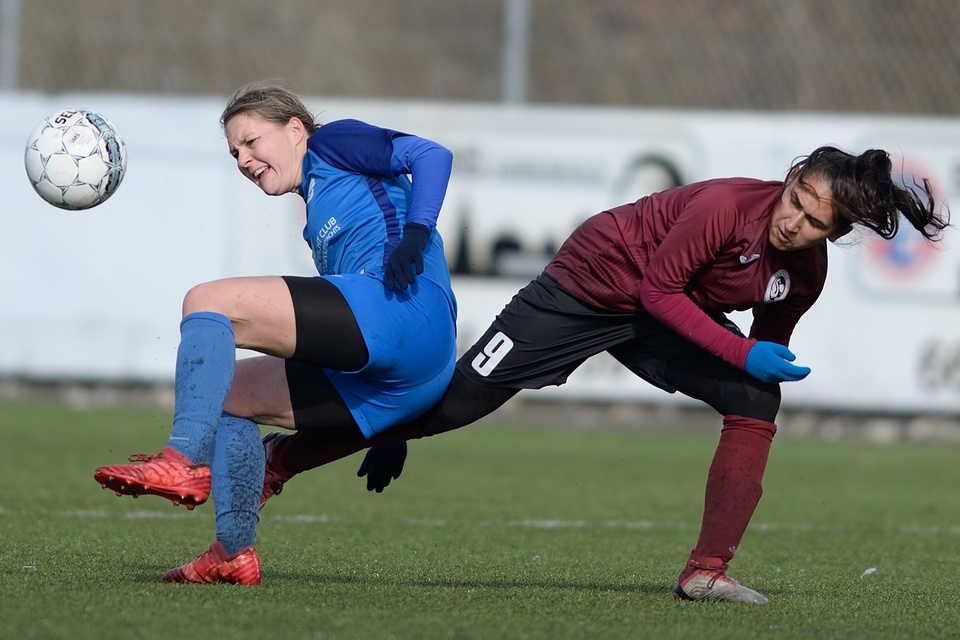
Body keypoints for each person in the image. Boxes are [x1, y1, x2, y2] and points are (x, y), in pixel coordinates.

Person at [254, 146, 948, 603]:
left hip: (659, 317)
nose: (792, 221)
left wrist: (756, 363)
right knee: (448, 405)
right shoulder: (726, 208)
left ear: (834, 234)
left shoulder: (805, 273)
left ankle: (706, 572)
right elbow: (659, 291)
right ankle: (277, 460)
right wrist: (743, 354)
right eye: (795, 198)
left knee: (756, 400)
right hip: (589, 284)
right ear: (790, 178)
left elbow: (761, 346)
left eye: (814, 222)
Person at [92, 81, 458, 585]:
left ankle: (180, 459)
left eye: (251, 141)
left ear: (294, 129)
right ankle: (232, 551)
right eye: (234, 153)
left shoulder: (332, 143)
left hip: (405, 314)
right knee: (230, 397)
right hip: (405, 370)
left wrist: (417, 231)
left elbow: (433, 155)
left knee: (207, 301)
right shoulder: (318, 204)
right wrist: (392, 425)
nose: (243, 160)